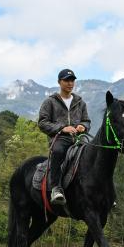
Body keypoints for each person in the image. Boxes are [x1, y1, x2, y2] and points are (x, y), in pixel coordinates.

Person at [37, 69, 91, 207]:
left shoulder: (80, 102)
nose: (70, 83)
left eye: (72, 80)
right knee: (58, 152)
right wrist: (62, 128)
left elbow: (86, 121)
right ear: (59, 82)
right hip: (60, 138)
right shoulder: (50, 102)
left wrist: (82, 127)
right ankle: (56, 188)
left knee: (93, 154)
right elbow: (42, 123)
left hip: (79, 138)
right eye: (66, 80)